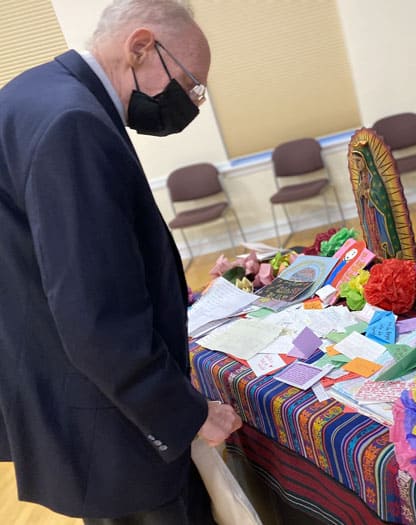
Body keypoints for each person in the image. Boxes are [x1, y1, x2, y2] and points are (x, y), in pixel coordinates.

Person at [0, 1, 242, 523]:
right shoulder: (73, 124)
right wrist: (185, 412)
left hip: (68, 395)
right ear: (140, 47)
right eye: (190, 84)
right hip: (112, 422)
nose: (191, 102)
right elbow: (96, 314)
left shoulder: (32, 92)